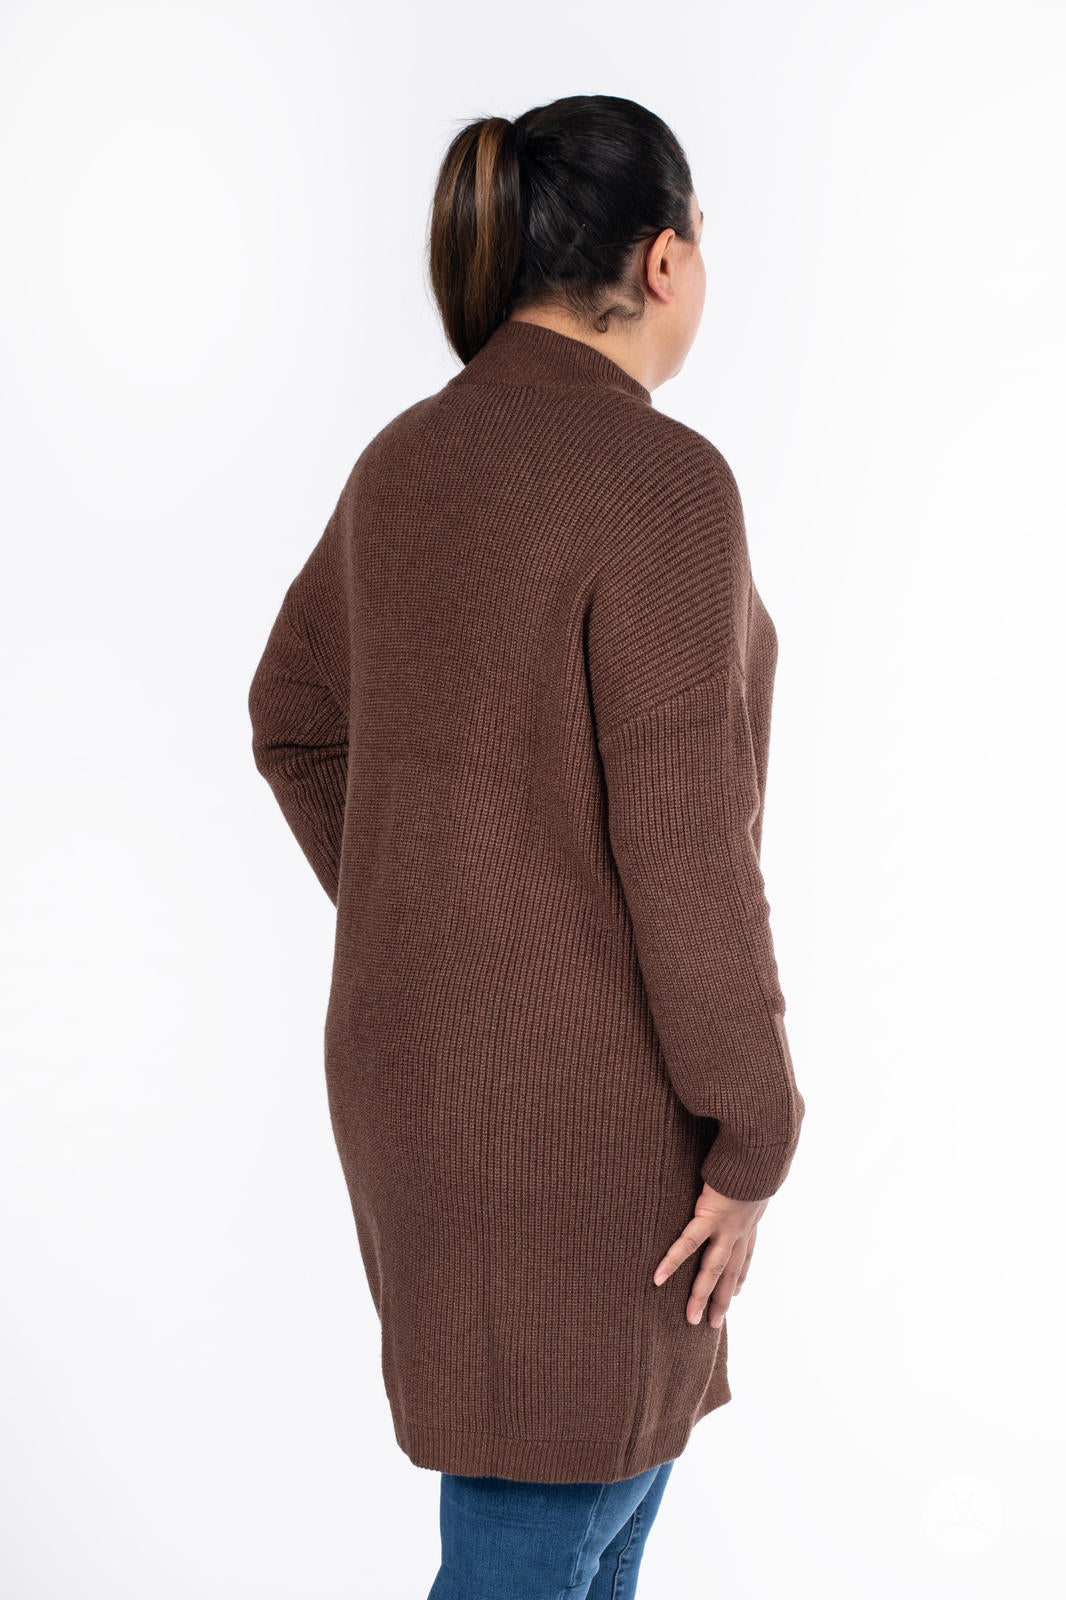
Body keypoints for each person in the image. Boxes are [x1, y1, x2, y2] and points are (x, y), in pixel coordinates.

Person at [248, 93, 806, 1600]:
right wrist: (756, 1130)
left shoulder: (406, 460)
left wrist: (439, 920)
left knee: (583, 1526)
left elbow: (294, 722)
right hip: (577, 1117)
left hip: (425, 1088)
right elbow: (686, 847)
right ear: (666, 259)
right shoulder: (660, 482)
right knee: (546, 1528)